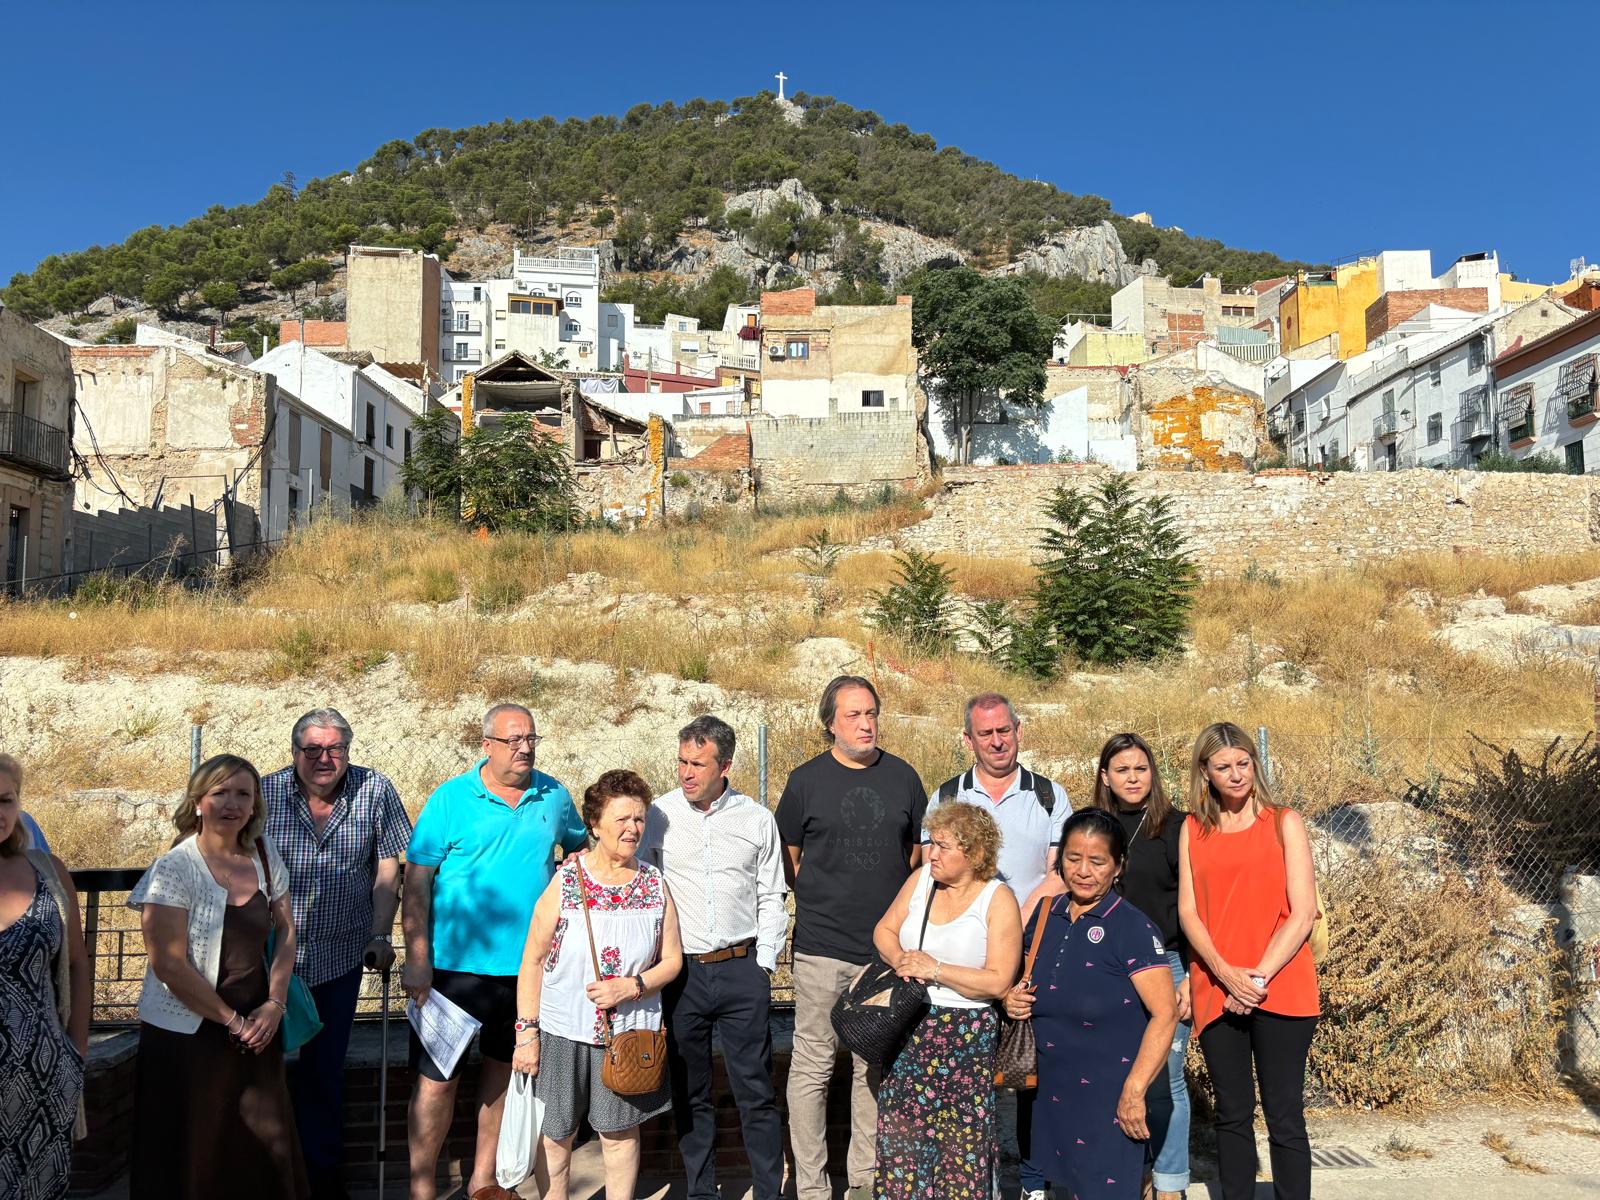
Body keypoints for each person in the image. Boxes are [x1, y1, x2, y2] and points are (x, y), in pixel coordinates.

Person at [403, 704, 588, 1200]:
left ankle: (484, 1183)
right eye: (512, 740)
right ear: (486, 745)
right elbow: (417, 882)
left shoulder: (554, 795)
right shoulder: (450, 800)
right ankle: (422, 1189)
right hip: (453, 969)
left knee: (504, 1074)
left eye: (530, 738)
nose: (524, 748)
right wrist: (416, 955)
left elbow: (579, 848)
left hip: (529, 972)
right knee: (436, 1083)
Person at [127, 754, 309, 1200]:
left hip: (257, 1028)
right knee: (192, 1149)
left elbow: (286, 929)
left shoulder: (265, 855)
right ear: (198, 802)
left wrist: (275, 1003)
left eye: (243, 794)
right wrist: (232, 1020)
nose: (232, 804)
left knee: (262, 1146)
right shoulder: (175, 867)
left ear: (255, 804)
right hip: (188, 1034)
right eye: (220, 793)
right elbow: (167, 964)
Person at [775, 674, 928, 1200]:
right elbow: (789, 860)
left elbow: (914, 857)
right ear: (830, 723)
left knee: (873, 1067)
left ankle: (864, 1181)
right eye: (853, 715)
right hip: (820, 948)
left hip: (883, 954)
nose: (866, 724)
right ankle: (813, 1187)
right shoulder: (804, 782)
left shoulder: (905, 778)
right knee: (813, 1068)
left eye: (871, 713)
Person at [924, 692, 1070, 1200]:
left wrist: (1015, 920)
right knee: (967, 1080)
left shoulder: (1050, 796)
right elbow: (932, 872)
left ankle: (1032, 1182)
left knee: (1030, 1069)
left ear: (1019, 730)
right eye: (985, 733)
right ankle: (973, 1182)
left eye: (1003, 730)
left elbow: (1058, 880)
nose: (996, 741)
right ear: (968, 739)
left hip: (1031, 954)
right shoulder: (945, 796)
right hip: (963, 960)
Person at [513, 769, 684, 1200]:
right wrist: (526, 1033)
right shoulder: (567, 881)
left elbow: (673, 961)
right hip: (561, 1029)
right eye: (622, 819)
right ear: (594, 824)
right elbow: (532, 960)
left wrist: (633, 986)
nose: (633, 829)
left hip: (627, 1034)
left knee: (620, 1133)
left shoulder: (653, 883)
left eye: (639, 819)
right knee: (555, 1133)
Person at [263, 707, 411, 1200]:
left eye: (336, 749)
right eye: (314, 749)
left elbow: (389, 870)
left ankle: (321, 1181)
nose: (325, 759)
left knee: (323, 1075)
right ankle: (267, 1177)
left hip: (340, 960)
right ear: (295, 752)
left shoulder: (375, 790)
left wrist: (380, 934)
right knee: (260, 1073)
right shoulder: (262, 794)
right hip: (270, 964)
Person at [643, 716, 788, 1200]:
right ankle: (702, 1193)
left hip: (742, 969)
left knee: (756, 1093)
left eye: (698, 764)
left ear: (724, 765)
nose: (686, 772)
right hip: (681, 974)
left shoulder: (756, 819)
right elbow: (642, 885)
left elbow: (772, 893)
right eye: (682, 761)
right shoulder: (657, 816)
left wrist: (763, 965)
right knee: (690, 1091)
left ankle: (768, 1191)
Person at [1004, 809, 1178, 1200]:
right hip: (1045, 1091)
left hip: (1108, 1097)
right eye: (1073, 858)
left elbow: (1165, 1014)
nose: (1083, 871)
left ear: (1118, 866)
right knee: (1044, 1181)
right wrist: (1010, 997)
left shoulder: (1132, 927)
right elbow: (1018, 976)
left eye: (1097, 861)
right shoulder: (1047, 915)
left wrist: (1134, 1091)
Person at [1178, 723, 1319, 1200]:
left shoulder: (1285, 822)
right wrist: (1225, 974)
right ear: (1205, 772)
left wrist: (1254, 978)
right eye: (1223, 767)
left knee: (1284, 1114)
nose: (1236, 775)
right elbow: (1188, 911)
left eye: (1243, 763)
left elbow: (1302, 914)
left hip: (1282, 986)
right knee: (1232, 1113)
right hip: (1217, 988)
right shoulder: (1193, 829)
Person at [871, 801, 1020, 1200]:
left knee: (961, 1146)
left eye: (943, 846)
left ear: (973, 854)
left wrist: (937, 969)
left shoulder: (997, 898)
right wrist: (900, 958)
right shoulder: (921, 880)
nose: (931, 853)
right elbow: (884, 929)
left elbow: (999, 980)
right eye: (931, 843)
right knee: (903, 1140)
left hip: (967, 1037)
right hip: (911, 1025)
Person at [1089, 733, 1191, 1200]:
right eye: (1122, 769)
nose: (1133, 777)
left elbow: (1194, 908)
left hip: (1166, 966)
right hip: (1105, 967)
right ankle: (1135, 1174)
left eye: (1141, 768)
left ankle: (1169, 1185)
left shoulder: (1178, 827)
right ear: (1105, 777)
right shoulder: (1092, 828)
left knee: (1165, 1080)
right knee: (1114, 1074)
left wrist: (1190, 974)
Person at [0, 753, 89, 1200]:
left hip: (43, 1077)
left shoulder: (47, 871)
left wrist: (77, 1051)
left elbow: (76, 962)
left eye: (6, 800)